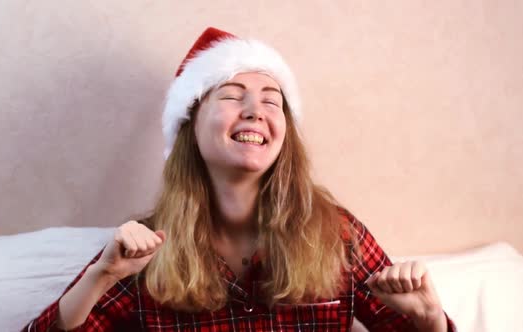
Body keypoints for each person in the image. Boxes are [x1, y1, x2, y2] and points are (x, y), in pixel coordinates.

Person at [23, 27, 457, 332]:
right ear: (189, 127)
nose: (256, 110)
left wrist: (431, 321)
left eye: (273, 102)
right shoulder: (146, 250)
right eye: (231, 96)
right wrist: (101, 275)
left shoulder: (337, 234)